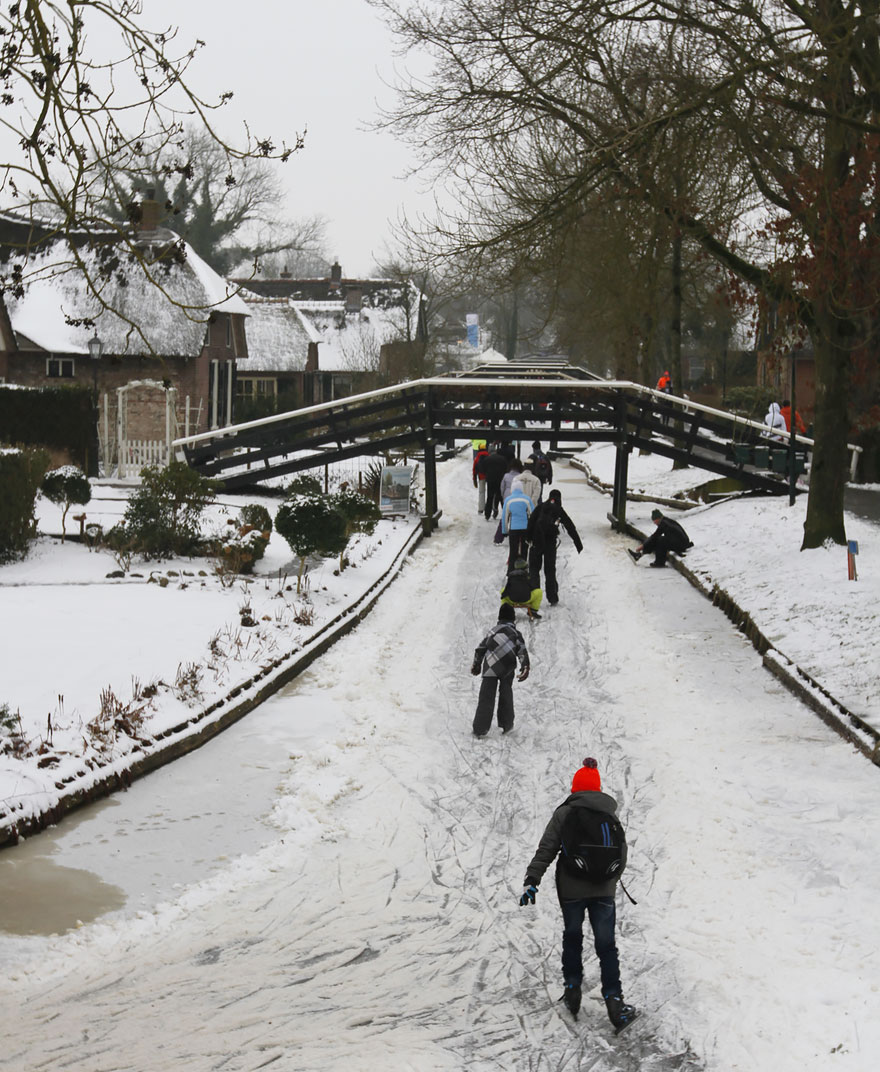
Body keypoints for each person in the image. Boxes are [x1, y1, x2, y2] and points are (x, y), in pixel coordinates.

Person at [518, 757, 637, 1032]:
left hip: (571, 887)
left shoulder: (565, 813)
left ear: (575, 788)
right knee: (606, 945)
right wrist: (607, 880)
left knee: (572, 936)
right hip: (603, 891)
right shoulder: (610, 814)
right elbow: (622, 853)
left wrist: (532, 879)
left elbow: (547, 848)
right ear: (597, 788)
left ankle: (572, 991)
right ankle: (615, 1004)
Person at [470, 603, 530, 737]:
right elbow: (522, 651)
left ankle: (480, 728)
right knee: (506, 694)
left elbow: (480, 649)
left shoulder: (492, 631)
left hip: (490, 666)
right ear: (513, 619)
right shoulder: (515, 633)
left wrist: (476, 665)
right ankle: (506, 724)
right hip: (507, 667)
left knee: (486, 696)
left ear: (499, 618)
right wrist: (525, 666)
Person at [527, 489, 583, 604]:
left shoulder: (541, 507)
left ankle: (534, 595)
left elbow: (531, 522)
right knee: (550, 570)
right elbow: (570, 526)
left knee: (534, 569)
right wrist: (578, 543)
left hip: (537, 541)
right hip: (550, 544)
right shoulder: (559, 510)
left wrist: (528, 539)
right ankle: (552, 597)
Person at [628, 508, 692, 568]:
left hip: (681, 545)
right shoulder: (667, 521)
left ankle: (659, 562)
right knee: (660, 539)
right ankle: (640, 555)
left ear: (658, 518)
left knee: (659, 540)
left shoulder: (664, 524)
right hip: (683, 542)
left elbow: (655, 536)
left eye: (654, 521)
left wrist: (643, 546)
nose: (654, 523)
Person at [501, 481, 534, 564]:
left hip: (513, 529)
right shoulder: (527, 499)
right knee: (524, 550)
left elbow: (505, 517)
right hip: (525, 529)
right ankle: (524, 570)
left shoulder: (508, 500)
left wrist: (505, 530)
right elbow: (533, 515)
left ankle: (511, 571)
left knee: (513, 551)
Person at [478, 447, 510, 521]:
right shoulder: (502, 459)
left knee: (490, 497)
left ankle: (487, 514)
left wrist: (487, 474)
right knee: (501, 497)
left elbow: (482, 469)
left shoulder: (487, 459)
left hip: (490, 480)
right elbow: (506, 468)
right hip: (500, 480)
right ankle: (505, 513)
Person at [472, 445, 489, 514]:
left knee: (481, 492)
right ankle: (490, 507)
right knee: (490, 493)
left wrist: (474, 480)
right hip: (489, 477)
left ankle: (481, 508)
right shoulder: (489, 456)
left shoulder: (477, 458)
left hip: (481, 477)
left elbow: (474, 470)